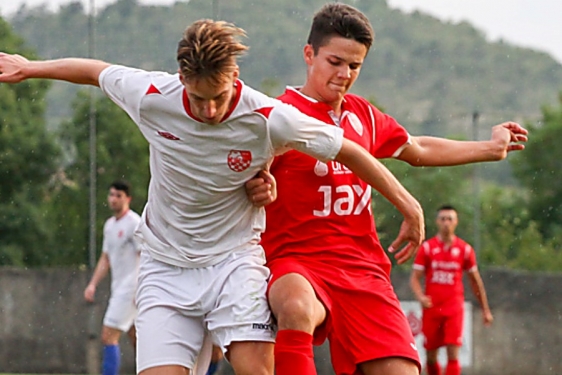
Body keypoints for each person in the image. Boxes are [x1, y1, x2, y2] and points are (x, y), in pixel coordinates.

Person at [0, 19, 426, 375]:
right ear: (182, 79)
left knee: (257, 368)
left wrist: (407, 203)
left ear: (235, 79)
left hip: (234, 263)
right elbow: (95, 71)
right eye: (199, 99)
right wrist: (30, 67)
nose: (209, 111)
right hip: (165, 267)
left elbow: (348, 150)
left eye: (219, 97)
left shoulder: (268, 117)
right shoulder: (151, 96)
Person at [245, 3, 526, 375]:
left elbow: (418, 148)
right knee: (295, 305)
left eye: (354, 66)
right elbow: (242, 179)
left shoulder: (364, 115)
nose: (344, 74)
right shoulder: (278, 115)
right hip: (296, 261)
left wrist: (491, 149)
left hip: (363, 271)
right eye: (335, 61)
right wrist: (255, 188)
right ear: (309, 54)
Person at [410, 205, 493, 375]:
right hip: (432, 308)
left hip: (454, 307)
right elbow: (414, 278)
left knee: (453, 353)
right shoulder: (427, 248)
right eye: (443, 219)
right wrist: (420, 296)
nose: (446, 223)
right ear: (437, 222)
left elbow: (475, 282)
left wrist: (485, 309)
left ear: (456, 222)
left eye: (450, 219)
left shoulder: (465, 250)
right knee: (431, 355)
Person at [84, 180, 141, 375]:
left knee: (108, 336)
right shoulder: (109, 225)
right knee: (137, 339)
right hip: (119, 288)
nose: (113, 199)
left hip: (131, 289)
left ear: (128, 199)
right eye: (111, 195)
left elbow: (145, 256)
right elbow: (105, 258)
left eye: (118, 196)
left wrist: (141, 287)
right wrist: (92, 284)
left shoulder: (134, 223)